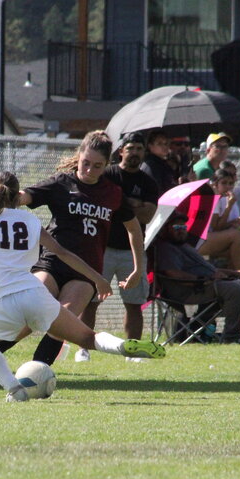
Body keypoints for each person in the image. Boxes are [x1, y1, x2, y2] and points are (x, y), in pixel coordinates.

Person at [0, 160, 165, 401]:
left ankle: (14, 389)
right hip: (35, 293)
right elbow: (62, 253)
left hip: (2, 301)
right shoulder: (31, 221)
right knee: (88, 337)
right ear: (17, 196)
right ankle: (122, 346)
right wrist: (97, 279)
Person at [0, 130, 148, 396]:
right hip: (51, 262)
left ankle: (30, 380)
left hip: (85, 270)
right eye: (86, 162)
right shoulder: (61, 183)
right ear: (79, 156)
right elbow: (14, 197)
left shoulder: (113, 193)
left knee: (59, 323)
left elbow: (134, 229)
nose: (89, 169)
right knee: (24, 318)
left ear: (107, 163)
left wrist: (138, 269)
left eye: (97, 165)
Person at [78, 132, 159, 363]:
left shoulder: (148, 182)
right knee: (91, 299)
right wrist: (132, 205)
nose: (134, 153)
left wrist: (122, 204)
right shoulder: (107, 173)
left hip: (131, 250)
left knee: (134, 303)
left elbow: (148, 215)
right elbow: (99, 203)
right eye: (130, 147)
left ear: (144, 153)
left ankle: (132, 352)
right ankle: (83, 348)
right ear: (121, 150)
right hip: (101, 248)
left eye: (139, 149)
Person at [154, 211, 240, 343]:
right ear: (165, 229)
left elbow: (209, 269)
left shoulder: (186, 246)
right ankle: (231, 337)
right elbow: (173, 274)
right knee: (233, 288)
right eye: (177, 227)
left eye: (184, 227)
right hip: (191, 292)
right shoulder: (166, 249)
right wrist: (206, 278)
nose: (181, 231)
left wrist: (234, 273)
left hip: (208, 286)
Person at [140, 128, 176, 195]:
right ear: (150, 146)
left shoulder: (163, 164)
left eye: (165, 143)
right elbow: (157, 190)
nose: (164, 146)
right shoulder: (151, 165)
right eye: (159, 143)